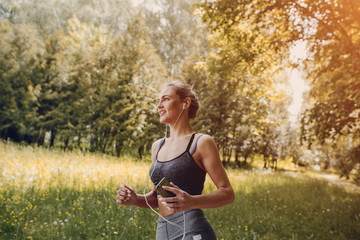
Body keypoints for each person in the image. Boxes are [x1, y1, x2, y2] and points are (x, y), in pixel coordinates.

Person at [116, 80, 235, 240]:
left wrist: (191, 202)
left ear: (185, 103)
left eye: (165, 99)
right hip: (163, 231)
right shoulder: (157, 146)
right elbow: (156, 197)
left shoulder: (200, 142)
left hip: (192, 230)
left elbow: (227, 193)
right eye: (158, 101)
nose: (159, 106)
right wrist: (136, 199)